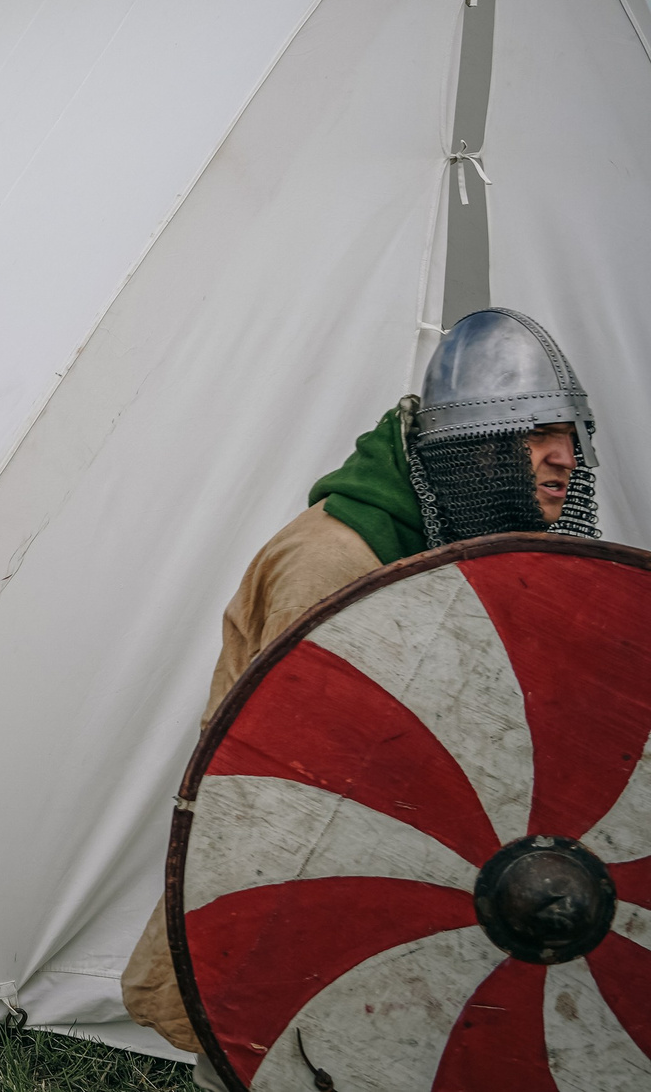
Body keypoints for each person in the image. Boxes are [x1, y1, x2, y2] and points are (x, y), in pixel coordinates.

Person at [119, 307, 600, 1084]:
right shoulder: (335, 563)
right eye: (535, 430)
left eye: (571, 432)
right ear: (472, 446)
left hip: (421, 874)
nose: (563, 456)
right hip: (301, 875)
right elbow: (282, 786)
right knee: (265, 1053)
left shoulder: (478, 544)